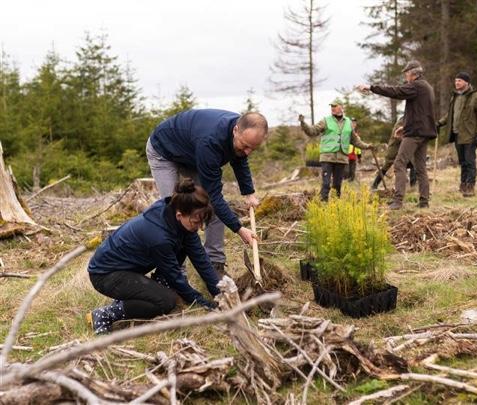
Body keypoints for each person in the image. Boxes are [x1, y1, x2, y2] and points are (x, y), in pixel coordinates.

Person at [86, 179, 221, 334]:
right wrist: (201, 302)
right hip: (105, 275)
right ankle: (106, 314)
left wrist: (220, 293)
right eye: (196, 222)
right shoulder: (159, 237)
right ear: (179, 215)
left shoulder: (176, 214)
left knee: (183, 246)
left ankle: (154, 287)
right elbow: (175, 277)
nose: (199, 227)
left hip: (130, 269)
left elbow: (201, 260)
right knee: (165, 301)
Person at [146, 109, 268, 275]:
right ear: (235, 130)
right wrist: (239, 228)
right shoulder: (211, 141)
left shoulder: (240, 131)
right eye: (245, 146)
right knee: (175, 210)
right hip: (164, 151)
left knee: (210, 206)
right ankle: (175, 270)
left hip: (193, 154)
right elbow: (214, 195)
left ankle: (215, 263)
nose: (247, 152)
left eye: (253, 148)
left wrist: (248, 193)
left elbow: (239, 159)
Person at [358, 60, 437, 209]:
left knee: (399, 163)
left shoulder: (416, 86)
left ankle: (398, 201)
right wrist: (404, 126)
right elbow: (418, 111)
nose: (405, 77)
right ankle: (424, 201)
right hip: (423, 132)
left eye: (406, 74)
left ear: (413, 74)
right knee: (420, 168)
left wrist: (371, 87)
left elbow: (396, 92)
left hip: (414, 133)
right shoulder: (427, 87)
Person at [298, 99, 373, 201]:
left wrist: (367, 146)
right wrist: (303, 123)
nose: (332, 108)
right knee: (326, 183)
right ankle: (323, 203)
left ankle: (335, 204)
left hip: (341, 158)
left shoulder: (349, 123)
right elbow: (312, 131)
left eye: (335, 106)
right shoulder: (325, 120)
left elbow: (355, 140)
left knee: (337, 184)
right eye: (331, 107)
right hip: (327, 157)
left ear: (342, 108)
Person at [437, 72, 477, 197]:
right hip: (457, 135)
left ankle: (470, 188)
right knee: (463, 162)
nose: (457, 83)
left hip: (470, 135)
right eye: (456, 81)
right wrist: (439, 123)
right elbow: (450, 115)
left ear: (466, 82)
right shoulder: (455, 97)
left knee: (470, 161)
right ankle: (463, 185)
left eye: (459, 81)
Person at [370, 115, 417, 191]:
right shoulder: (401, 122)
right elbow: (399, 135)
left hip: (402, 150)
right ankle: (374, 185)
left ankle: (413, 187)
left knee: (413, 165)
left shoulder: (409, 122)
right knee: (386, 167)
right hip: (393, 150)